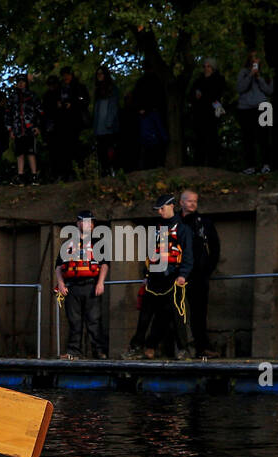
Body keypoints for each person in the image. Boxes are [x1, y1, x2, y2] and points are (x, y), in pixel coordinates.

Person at [126, 194, 194, 359]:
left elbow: (188, 256)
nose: (160, 212)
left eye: (162, 208)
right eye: (158, 209)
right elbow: (150, 255)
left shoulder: (183, 229)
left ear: (171, 206)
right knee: (145, 315)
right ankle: (136, 348)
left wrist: (183, 274)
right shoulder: (156, 230)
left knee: (177, 315)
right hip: (154, 279)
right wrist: (146, 275)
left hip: (173, 278)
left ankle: (183, 349)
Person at [53, 211, 109, 359]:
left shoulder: (98, 243)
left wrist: (100, 282)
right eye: (84, 222)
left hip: (91, 286)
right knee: (74, 321)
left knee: (94, 320)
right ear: (78, 224)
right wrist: (60, 283)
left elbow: (104, 264)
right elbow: (59, 266)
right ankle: (73, 352)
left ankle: (99, 352)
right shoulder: (68, 244)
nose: (88, 224)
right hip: (72, 287)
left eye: (90, 222)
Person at [179, 189, 220, 357]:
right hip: (178, 273)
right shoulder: (174, 222)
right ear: (181, 202)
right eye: (189, 201)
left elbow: (215, 247)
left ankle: (202, 347)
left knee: (199, 312)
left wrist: (207, 269)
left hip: (198, 274)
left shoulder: (204, 222)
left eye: (195, 201)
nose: (193, 204)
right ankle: (179, 347)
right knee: (173, 311)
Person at [235, 50, 273, 173]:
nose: (255, 61)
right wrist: (251, 75)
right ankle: (250, 166)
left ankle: (266, 164)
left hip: (264, 107)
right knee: (248, 138)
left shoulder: (266, 74)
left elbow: (269, 91)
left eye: (257, 58)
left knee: (264, 137)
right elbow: (240, 88)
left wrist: (259, 78)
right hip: (246, 108)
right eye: (253, 58)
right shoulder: (243, 72)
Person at [189, 59, 227, 166]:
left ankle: (213, 164)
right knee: (199, 139)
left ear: (213, 68)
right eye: (204, 66)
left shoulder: (218, 79)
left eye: (208, 66)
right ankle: (198, 164)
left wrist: (204, 96)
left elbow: (217, 94)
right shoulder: (198, 81)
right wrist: (196, 97)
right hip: (199, 114)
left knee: (212, 138)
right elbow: (191, 95)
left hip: (212, 114)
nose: (206, 68)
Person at [7, 74, 42, 185]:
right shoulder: (13, 97)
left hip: (30, 128)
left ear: (26, 83)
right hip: (18, 129)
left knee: (31, 152)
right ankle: (20, 176)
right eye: (19, 82)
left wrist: (37, 126)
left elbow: (39, 111)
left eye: (23, 81)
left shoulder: (32, 95)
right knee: (19, 153)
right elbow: (8, 114)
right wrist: (10, 129)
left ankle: (34, 176)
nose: (21, 84)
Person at [93, 68, 121, 176]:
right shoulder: (98, 90)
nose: (99, 76)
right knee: (101, 151)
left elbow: (113, 107)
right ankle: (105, 171)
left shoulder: (112, 89)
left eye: (101, 73)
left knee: (111, 149)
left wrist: (109, 122)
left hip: (109, 127)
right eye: (98, 74)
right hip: (99, 127)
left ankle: (113, 170)